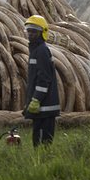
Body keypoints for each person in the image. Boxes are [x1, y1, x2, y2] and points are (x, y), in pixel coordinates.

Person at [23, 15, 59, 146]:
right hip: (40, 107)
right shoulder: (35, 50)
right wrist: (29, 102)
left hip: (45, 106)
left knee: (43, 142)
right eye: (29, 30)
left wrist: (36, 99)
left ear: (42, 33)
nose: (30, 34)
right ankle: (38, 163)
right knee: (37, 139)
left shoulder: (42, 51)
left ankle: (45, 163)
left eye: (34, 31)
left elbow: (44, 79)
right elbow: (34, 79)